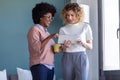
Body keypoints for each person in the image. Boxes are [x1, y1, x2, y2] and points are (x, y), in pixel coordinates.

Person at [59, 3, 93, 80]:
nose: (69, 18)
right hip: (67, 57)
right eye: (67, 15)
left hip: (81, 56)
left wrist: (83, 43)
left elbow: (90, 46)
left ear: (78, 15)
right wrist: (65, 46)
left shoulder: (85, 27)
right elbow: (61, 49)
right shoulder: (62, 29)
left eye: (72, 15)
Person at [27, 2, 58, 80]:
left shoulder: (47, 32)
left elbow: (51, 50)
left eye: (51, 18)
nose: (50, 20)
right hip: (39, 65)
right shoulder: (34, 30)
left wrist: (62, 47)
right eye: (48, 17)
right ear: (41, 17)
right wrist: (50, 37)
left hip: (50, 66)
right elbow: (37, 48)